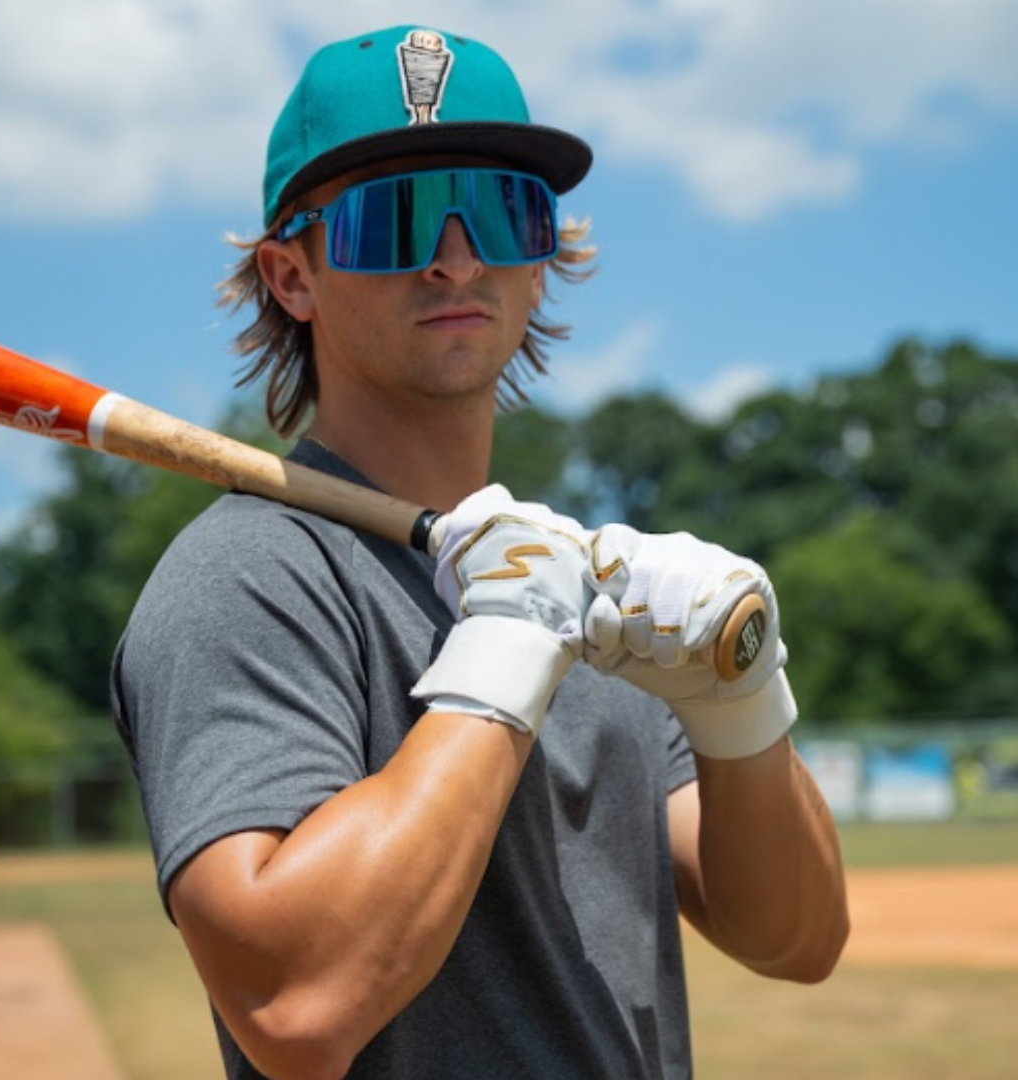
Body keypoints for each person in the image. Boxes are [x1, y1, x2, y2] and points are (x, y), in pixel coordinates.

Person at [111, 24, 849, 1080]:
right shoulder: (251, 577)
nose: (455, 258)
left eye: (503, 212)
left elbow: (796, 938)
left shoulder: (576, 579)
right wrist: (507, 650)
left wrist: (742, 703)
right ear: (291, 276)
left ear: (541, 262)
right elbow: (295, 1003)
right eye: (394, 218)